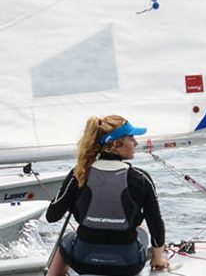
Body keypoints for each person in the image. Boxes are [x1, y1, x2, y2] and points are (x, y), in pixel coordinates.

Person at [46, 115, 169, 276]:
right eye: (131, 138)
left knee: (68, 237)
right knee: (142, 230)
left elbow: (52, 216)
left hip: (83, 261)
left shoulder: (80, 173)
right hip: (128, 264)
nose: (136, 143)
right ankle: (158, 259)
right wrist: (158, 258)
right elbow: (156, 225)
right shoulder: (141, 178)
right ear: (115, 144)